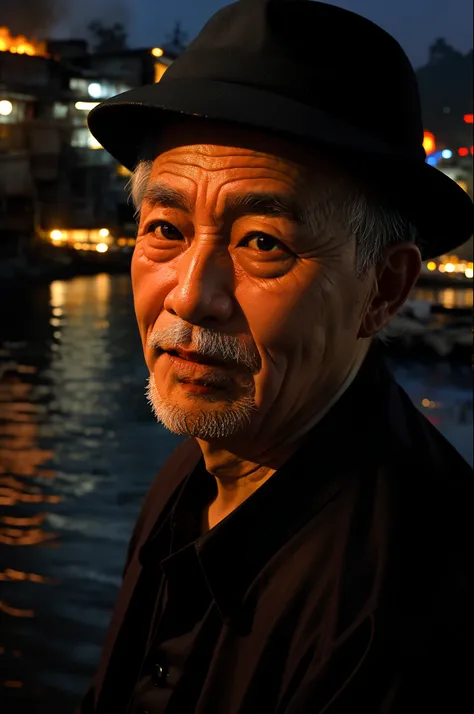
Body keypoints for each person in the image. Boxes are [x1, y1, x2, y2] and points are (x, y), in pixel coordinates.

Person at [79, 1, 473, 712]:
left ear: (384, 288)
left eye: (263, 242)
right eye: (165, 228)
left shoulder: (412, 603)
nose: (192, 296)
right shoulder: (200, 465)